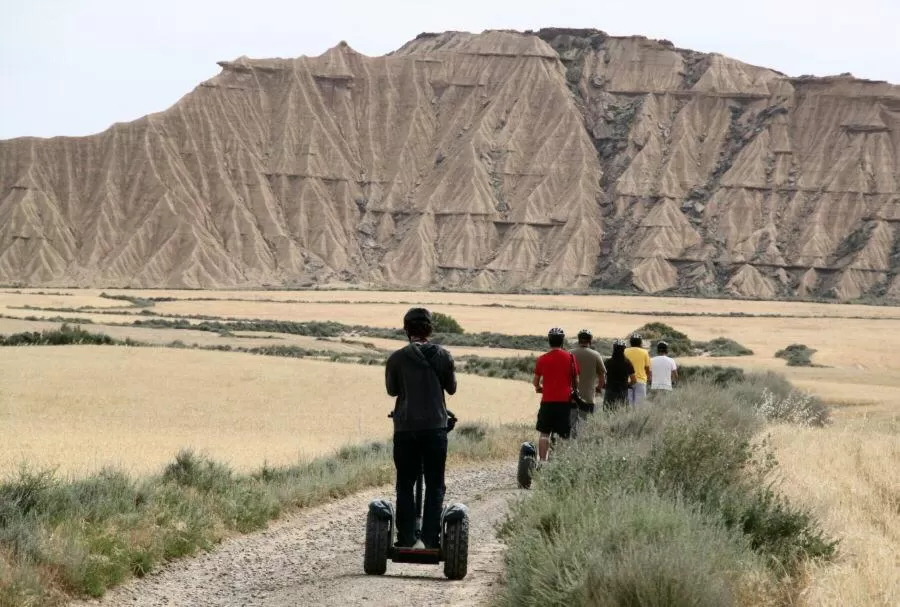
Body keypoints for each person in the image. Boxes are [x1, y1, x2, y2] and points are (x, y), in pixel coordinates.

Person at [385, 307, 457, 550]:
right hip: (435, 427)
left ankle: (405, 538)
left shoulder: (396, 358)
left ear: (406, 330)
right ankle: (430, 539)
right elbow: (452, 388)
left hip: (405, 428)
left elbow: (392, 390)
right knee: (435, 483)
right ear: (430, 329)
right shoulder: (443, 355)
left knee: (405, 482)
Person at [533, 327, 579, 461]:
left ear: (549, 341)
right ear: (562, 341)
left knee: (544, 433)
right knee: (563, 434)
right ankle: (559, 461)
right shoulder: (570, 357)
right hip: (564, 401)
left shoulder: (542, 359)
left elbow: (535, 381)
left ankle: (542, 461)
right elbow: (576, 380)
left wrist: (539, 388)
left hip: (547, 401)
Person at [569, 329, 606, 437]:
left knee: (571, 426)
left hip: (571, 396)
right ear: (590, 341)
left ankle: (569, 448)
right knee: (584, 427)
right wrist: (599, 387)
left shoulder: (570, 353)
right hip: (588, 397)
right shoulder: (595, 355)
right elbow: (602, 375)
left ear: (578, 340)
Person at [603, 339, 636, 411]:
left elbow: (602, 377)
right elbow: (634, 380)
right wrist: (627, 385)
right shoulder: (628, 362)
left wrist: (604, 385)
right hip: (623, 391)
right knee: (622, 413)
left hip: (610, 390)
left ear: (614, 348)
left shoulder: (608, 362)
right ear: (624, 349)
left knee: (607, 413)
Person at [624, 333, 651, 407]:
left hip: (627, 382)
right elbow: (647, 368)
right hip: (641, 382)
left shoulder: (625, 351)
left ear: (630, 342)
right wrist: (648, 378)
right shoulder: (645, 352)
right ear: (640, 342)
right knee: (639, 407)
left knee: (628, 406)